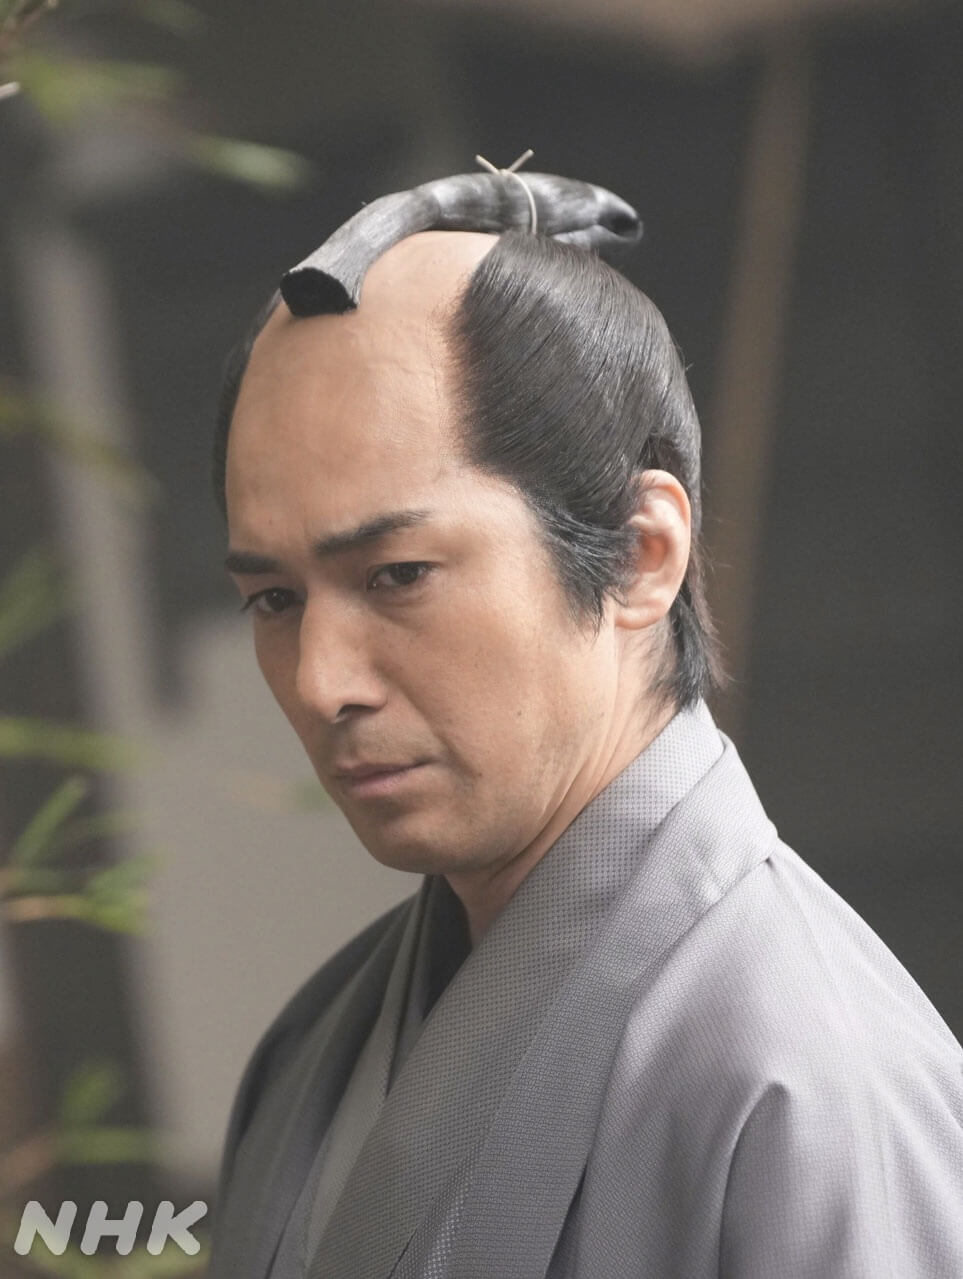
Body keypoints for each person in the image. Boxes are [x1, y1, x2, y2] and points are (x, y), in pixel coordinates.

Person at [207, 165, 963, 1279]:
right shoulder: (313, 1049)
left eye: (398, 574)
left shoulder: (806, 1077)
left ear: (641, 553)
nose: (322, 682)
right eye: (275, 600)